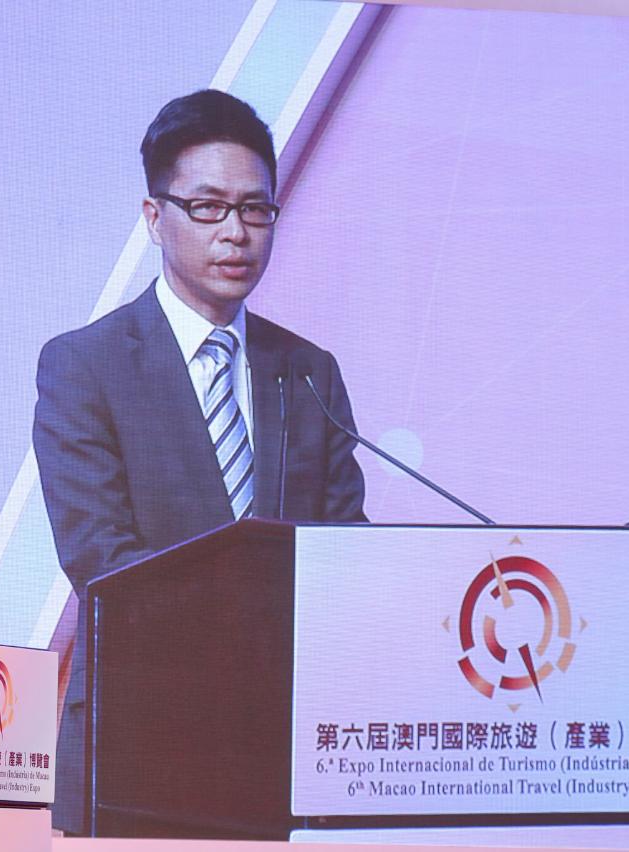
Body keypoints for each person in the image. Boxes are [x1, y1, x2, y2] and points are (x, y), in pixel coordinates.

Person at [32, 89, 367, 834]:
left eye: (255, 210)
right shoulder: (85, 367)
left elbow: (345, 552)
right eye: (208, 208)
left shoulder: (308, 371)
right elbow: (102, 561)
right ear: (155, 218)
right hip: (141, 746)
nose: (236, 233)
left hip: (286, 752)